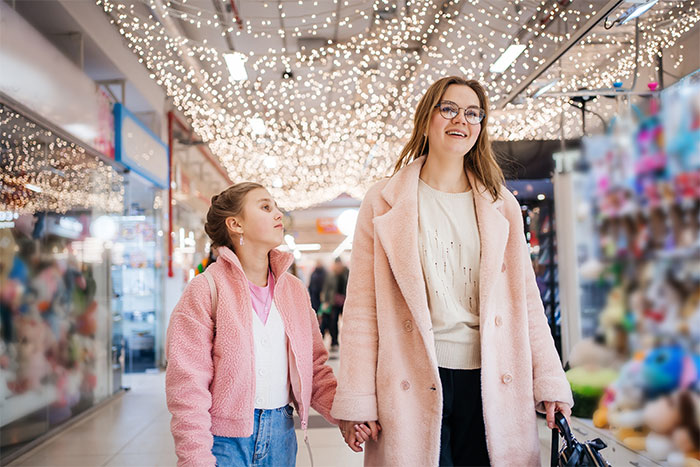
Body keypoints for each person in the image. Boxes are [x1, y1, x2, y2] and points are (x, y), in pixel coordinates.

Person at [331, 77, 574, 466]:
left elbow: (527, 302)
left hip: (493, 377)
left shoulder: (501, 205)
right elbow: (362, 308)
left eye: (473, 113)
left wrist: (549, 380)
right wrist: (357, 400)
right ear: (427, 117)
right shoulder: (383, 201)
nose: (462, 119)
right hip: (410, 375)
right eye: (449, 108)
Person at [165, 182, 339, 466]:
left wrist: (347, 417)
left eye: (276, 207)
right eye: (266, 207)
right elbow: (187, 385)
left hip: (282, 436)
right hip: (223, 442)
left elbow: (315, 369)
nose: (278, 214)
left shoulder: (293, 290)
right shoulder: (205, 290)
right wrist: (194, 458)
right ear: (236, 224)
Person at [321, 258, 348, 350]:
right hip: (334, 302)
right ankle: (334, 341)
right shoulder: (330, 275)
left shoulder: (347, 273)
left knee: (348, 322)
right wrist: (325, 301)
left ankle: (348, 341)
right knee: (333, 323)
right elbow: (326, 289)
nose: (338, 266)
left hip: (346, 302)